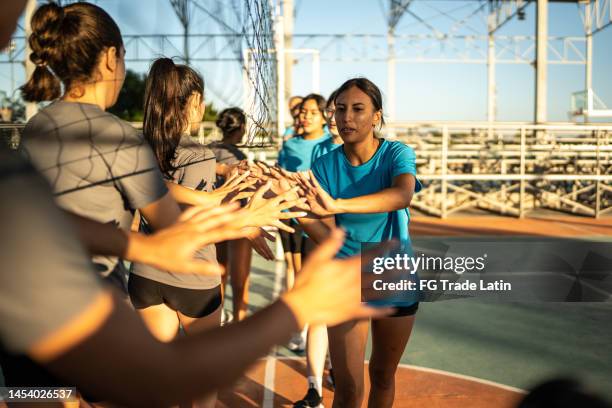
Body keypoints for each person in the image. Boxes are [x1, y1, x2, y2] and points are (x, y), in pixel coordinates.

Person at [0, 4, 390, 407]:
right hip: (85, 307)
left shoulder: (36, 128)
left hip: (27, 319)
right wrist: (290, 294)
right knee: (159, 385)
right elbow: (169, 219)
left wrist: (144, 245)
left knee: (42, 399)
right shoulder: (118, 138)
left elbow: (51, 217)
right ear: (112, 57)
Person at [298, 77, 422, 408]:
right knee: (349, 388)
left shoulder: (396, 153)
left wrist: (339, 205)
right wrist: (333, 239)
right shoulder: (324, 164)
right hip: (346, 277)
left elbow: (402, 194)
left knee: (382, 374)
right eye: (340, 109)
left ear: (376, 116)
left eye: (357, 109)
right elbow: (311, 217)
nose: (347, 118)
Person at [210, 107, 256, 322]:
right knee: (240, 280)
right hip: (236, 218)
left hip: (212, 218)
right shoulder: (239, 157)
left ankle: (215, 321)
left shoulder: (206, 150)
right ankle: (239, 322)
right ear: (241, 128)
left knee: (218, 274)